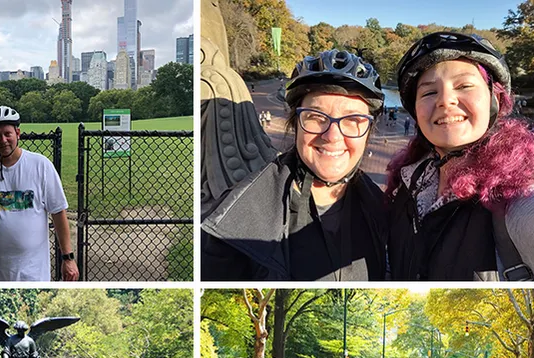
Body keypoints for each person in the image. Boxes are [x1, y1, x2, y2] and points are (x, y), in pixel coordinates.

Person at [202, 50, 388, 280]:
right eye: (316, 117)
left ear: (368, 131)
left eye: (353, 121)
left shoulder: (386, 211)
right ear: (296, 124)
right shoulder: (235, 222)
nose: (332, 136)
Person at [386, 32, 534, 280]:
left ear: (494, 98)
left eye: (464, 85)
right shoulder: (408, 183)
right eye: (429, 92)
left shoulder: (517, 197)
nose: (445, 100)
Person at [0, 106, 77, 281]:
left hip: (33, 270)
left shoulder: (40, 165)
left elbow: (58, 212)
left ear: (18, 133)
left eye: (8, 134)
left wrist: (67, 258)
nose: (3, 140)